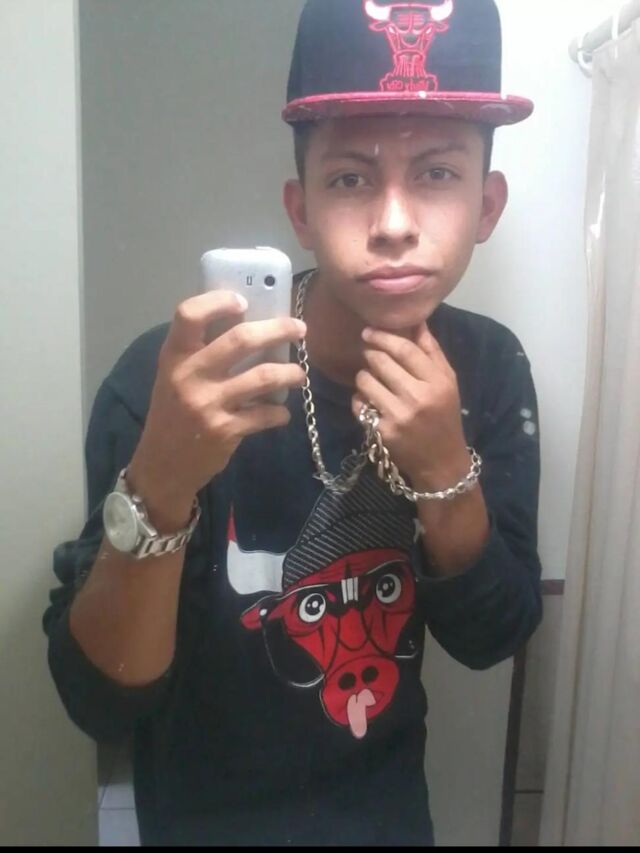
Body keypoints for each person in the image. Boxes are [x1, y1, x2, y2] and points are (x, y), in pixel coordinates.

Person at [43, 0, 543, 846]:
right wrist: (162, 480)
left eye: (437, 173)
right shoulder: (172, 382)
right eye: (350, 178)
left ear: (487, 205)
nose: (393, 224)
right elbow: (101, 700)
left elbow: (492, 637)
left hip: (388, 822)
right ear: (301, 208)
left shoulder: (488, 370)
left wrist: (444, 473)